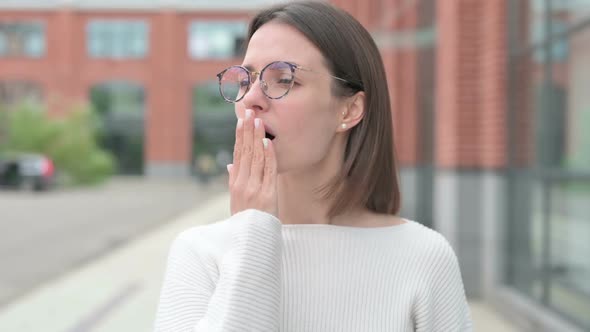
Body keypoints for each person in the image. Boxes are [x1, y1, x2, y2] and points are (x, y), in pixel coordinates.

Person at [154, 1, 472, 331]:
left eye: (283, 79)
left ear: (348, 111)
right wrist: (252, 230)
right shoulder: (200, 253)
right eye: (245, 80)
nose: (251, 99)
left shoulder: (422, 256)